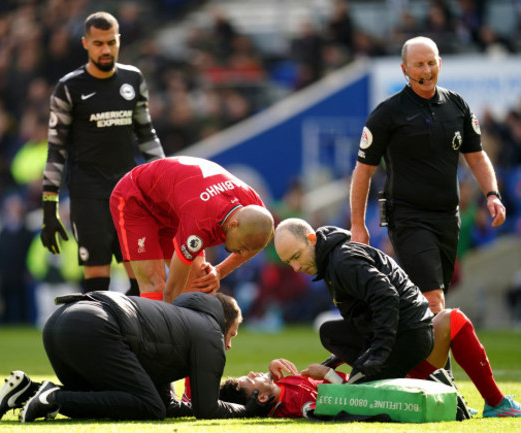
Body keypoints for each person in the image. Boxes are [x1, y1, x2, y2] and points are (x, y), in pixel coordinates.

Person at [349, 36, 506, 314]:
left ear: (440, 64)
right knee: (433, 300)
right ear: (404, 70)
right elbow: (363, 171)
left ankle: (421, 356)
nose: (426, 70)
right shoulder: (387, 113)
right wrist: (358, 225)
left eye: (431, 63)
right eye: (418, 64)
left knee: (434, 301)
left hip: (448, 218)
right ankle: (433, 357)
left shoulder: (456, 106)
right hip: (408, 218)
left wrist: (492, 195)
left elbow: (477, 156)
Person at [0, 290, 271, 422]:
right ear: (224, 323)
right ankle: (53, 398)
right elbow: (206, 410)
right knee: (149, 409)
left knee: (120, 400)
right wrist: (248, 410)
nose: (229, 345)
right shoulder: (210, 332)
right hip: (95, 326)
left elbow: (168, 403)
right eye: (232, 335)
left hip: (60, 322)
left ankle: (30, 391)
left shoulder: (177, 321)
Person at [41, 11, 165, 296]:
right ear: (85, 43)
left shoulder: (133, 80)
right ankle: (100, 338)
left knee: (141, 276)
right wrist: (49, 206)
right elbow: (55, 149)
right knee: (97, 277)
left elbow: (147, 135)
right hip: (88, 195)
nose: (106, 49)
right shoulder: (69, 88)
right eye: (98, 43)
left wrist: (164, 181)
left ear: (119, 41)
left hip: (129, 193)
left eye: (111, 42)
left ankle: (135, 338)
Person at [219, 307, 521, 419]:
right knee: (450, 320)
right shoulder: (297, 406)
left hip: (381, 371)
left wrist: (275, 371)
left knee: (447, 319)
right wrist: (327, 373)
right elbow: (343, 401)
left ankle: (492, 401)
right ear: (260, 397)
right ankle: (495, 402)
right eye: (250, 380)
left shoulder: (283, 389)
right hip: (388, 379)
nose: (252, 372)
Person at [274, 218, 434, 383]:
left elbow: (386, 296)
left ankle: (430, 380)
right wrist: (338, 358)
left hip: (409, 332)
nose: (295, 267)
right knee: (329, 333)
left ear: (312, 240)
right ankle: (399, 373)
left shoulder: (343, 261)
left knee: (356, 398)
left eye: (297, 256)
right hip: (402, 329)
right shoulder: (332, 260)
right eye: (288, 262)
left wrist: (379, 352)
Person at [109, 156, 274, 304]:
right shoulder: (200, 223)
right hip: (137, 199)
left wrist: (220, 271)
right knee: (155, 287)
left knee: (198, 285)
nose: (243, 254)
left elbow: (260, 240)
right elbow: (172, 291)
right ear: (233, 225)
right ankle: (156, 337)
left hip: (173, 208)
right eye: (243, 246)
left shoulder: (255, 209)